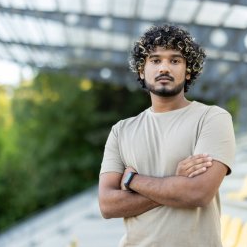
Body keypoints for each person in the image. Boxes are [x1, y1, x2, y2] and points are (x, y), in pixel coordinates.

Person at [98, 24, 236, 247]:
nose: (164, 68)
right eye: (155, 60)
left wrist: (132, 180)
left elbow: (198, 193)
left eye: (175, 60)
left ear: (188, 70)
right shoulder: (121, 130)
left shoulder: (212, 118)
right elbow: (107, 205)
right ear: (142, 70)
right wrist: (176, 182)